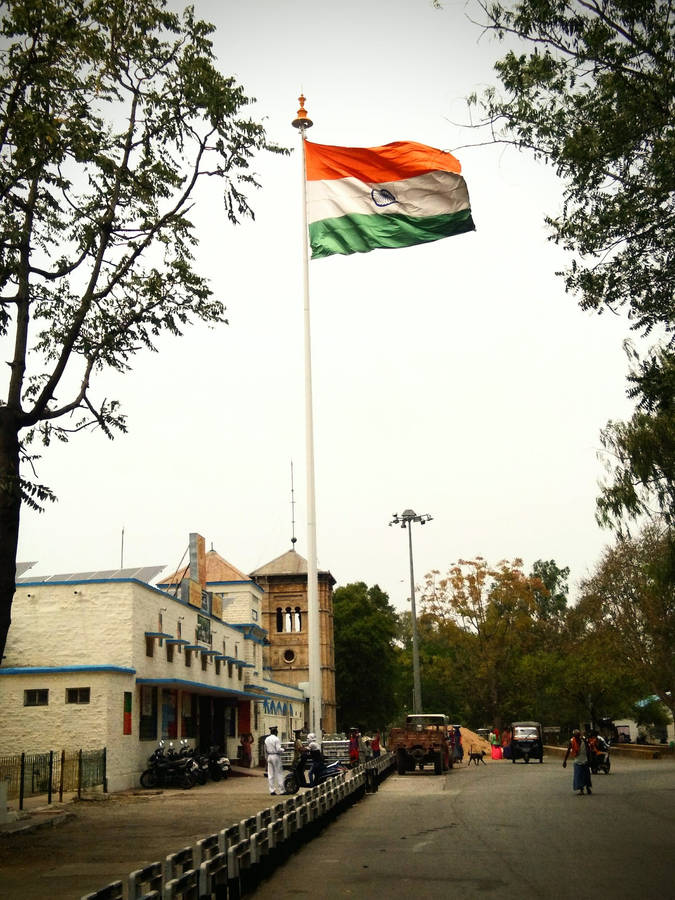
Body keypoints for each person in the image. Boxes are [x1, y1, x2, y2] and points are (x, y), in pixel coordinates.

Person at [563, 729, 592, 795]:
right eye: (575, 735)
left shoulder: (584, 741)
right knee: (578, 776)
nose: (577, 737)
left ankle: (588, 787)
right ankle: (581, 790)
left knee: (587, 776)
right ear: (574, 736)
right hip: (577, 761)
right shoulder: (572, 741)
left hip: (585, 760)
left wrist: (590, 759)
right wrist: (565, 761)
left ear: (579, 735)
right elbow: (568, 751)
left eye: (578, 735)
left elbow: (588, 750)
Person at [264, 725, 286, 796]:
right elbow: (278, 749)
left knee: (270, 774)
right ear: (275, 732)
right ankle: (281, 790)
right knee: (279, 773)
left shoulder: (267, 739)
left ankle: (272, 790)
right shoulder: (276, 739)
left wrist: (266, 757)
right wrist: (283, 749)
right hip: (276, 756)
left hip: (269, 756)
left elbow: (265, 749)